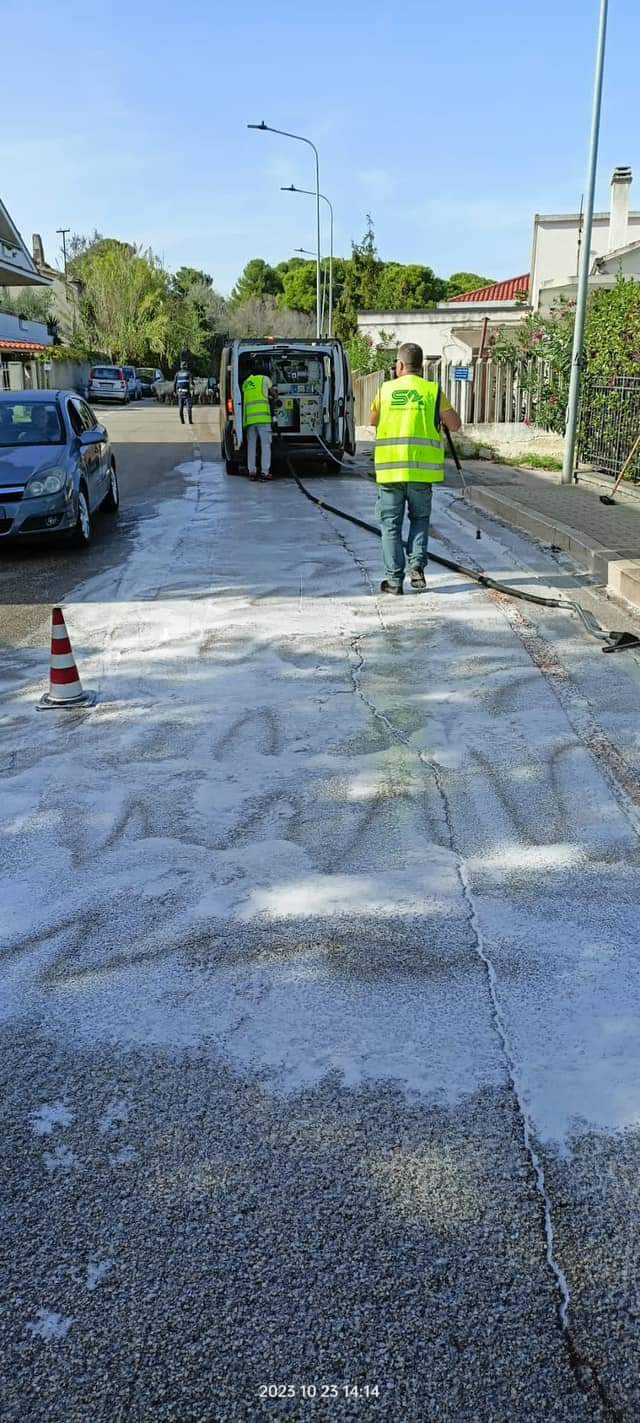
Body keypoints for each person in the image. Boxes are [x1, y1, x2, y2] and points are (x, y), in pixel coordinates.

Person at [370, 342, 461, 594]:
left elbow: (372, 419)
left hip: (390, 471)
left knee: (390, 525)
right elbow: (455, 425)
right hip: (421, 472)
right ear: (421, 366)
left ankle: (394, 581)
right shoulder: (432, 391)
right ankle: (417, 566)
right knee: (419, 519)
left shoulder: (386, 390)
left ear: (399, 365)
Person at [242, 362, 275, 481]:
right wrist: (274, 394)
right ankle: (265, 472)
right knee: (265, 445)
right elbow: (274, 394)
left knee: (251, 446)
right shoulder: (265, 379)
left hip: (249, 420)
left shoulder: (246, 382)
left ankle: (252, 471)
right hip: (263, 419)